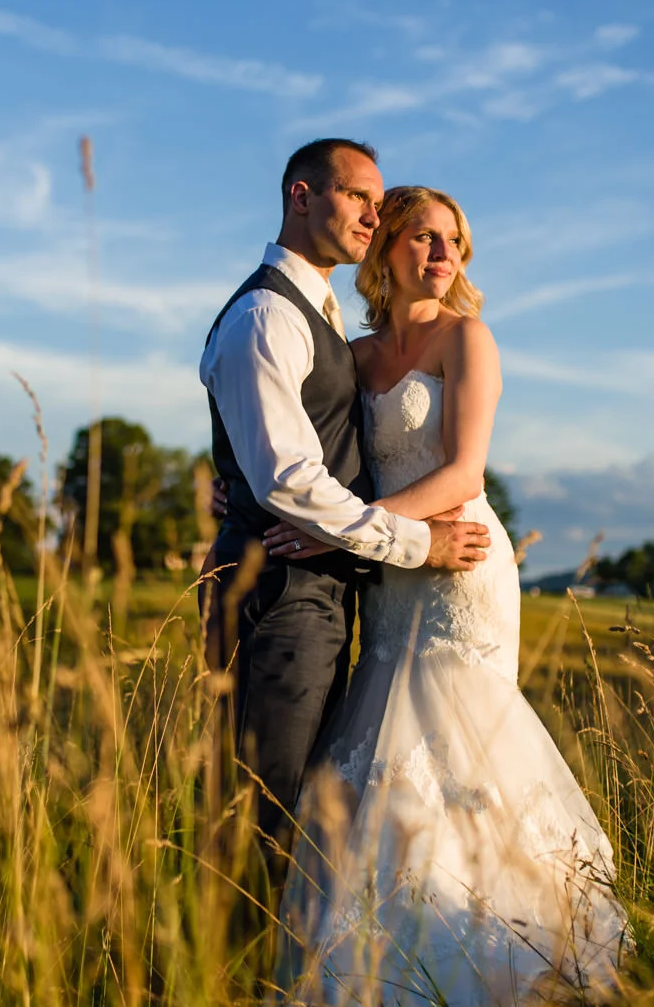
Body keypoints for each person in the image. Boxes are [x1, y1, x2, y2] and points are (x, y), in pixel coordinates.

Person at [260, 185, 628, 1007]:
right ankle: (381, 979)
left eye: (454, 240)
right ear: (384, 248)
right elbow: (303, 450)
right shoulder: (350, 355)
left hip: (459, 562)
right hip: (386, 563)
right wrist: (244, 491)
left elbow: (464, 474)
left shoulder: (468, 338)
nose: (442, 254)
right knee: (382, 744)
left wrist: (336, 539)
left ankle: (508, 971)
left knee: (454, 745)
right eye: (423, 237)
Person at [200, 140, 492, 867]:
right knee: (261, 814)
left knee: (316, 800)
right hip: (290, 586)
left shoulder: (321, 316)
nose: (371, 212)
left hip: (356, 581)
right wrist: (415, 543)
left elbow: (303, 449)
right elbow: (289, 477)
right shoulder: (271, 313)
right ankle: (234, 979)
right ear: (301, 196)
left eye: (376, 200)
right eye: (358, 196)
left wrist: (242, 483)